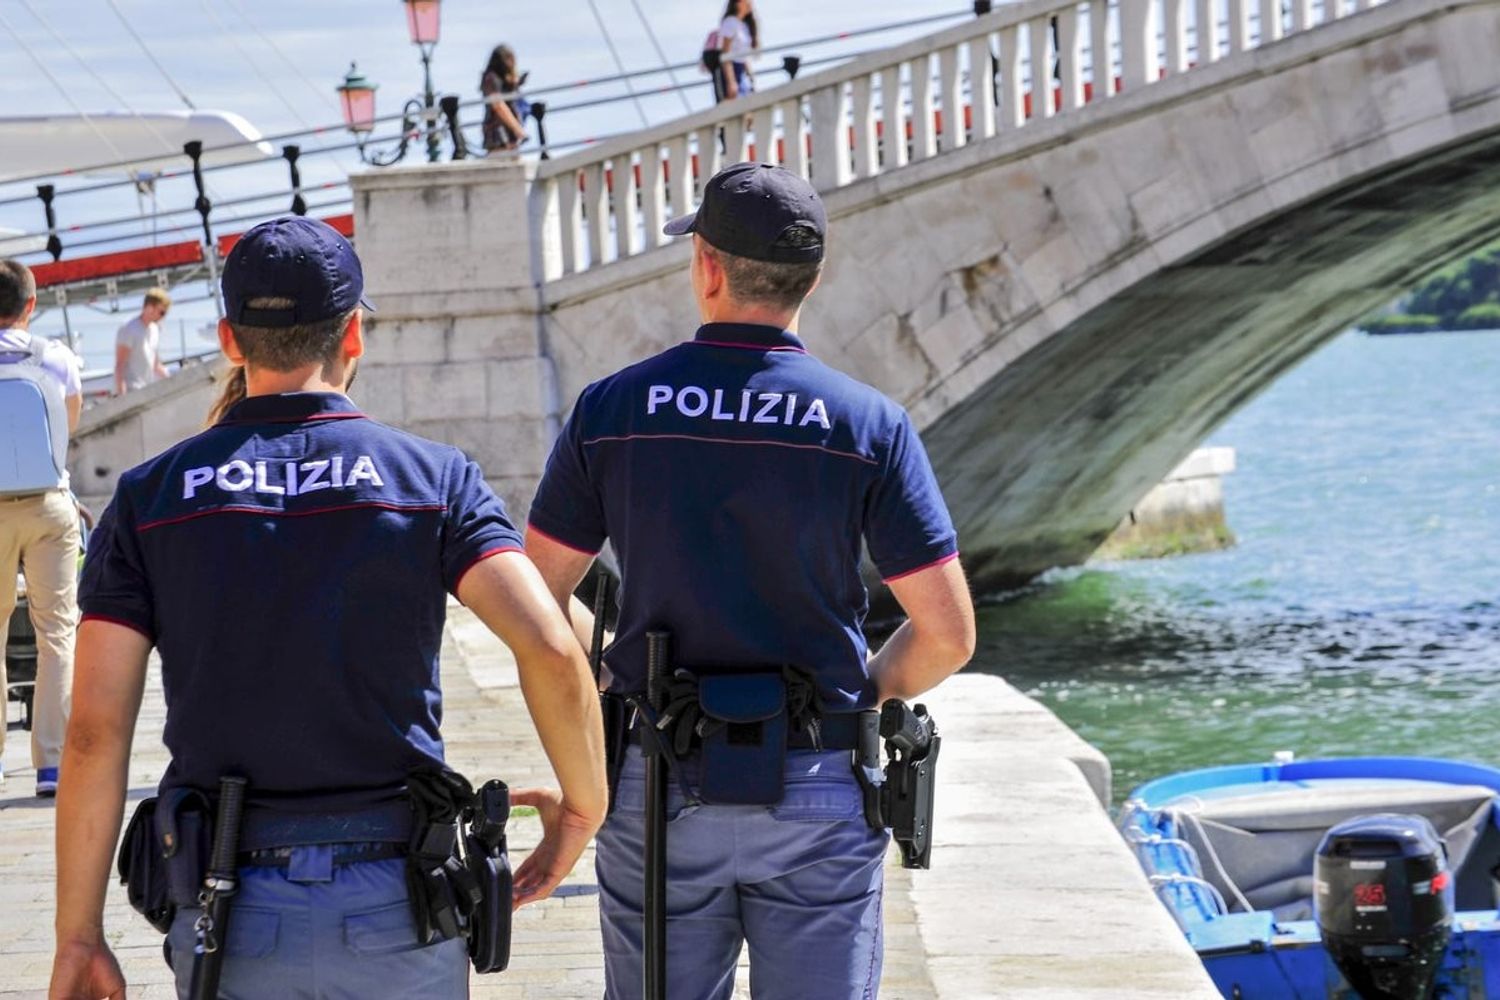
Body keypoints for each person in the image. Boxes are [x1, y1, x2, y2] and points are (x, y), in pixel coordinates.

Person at [49, 217, 608, 1000]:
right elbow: (549, 645)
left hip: (231, 907)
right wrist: (584, 804)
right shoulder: (432, 478)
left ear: (230, 341)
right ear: (354, 335)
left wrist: (78, 936)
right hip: (396, 901)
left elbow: (93, 731)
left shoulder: (151, 497)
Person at [524, 163, 976, 999]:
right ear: (813, 277)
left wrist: (603, 668)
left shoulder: (612, 410)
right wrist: (859, 695)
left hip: (655, 775)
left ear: (707, 265)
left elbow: (533, 602)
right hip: (816, 776)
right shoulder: (866, 423)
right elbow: (948, 634)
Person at [0, 258, 81, 799]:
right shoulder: (56, 358)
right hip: (49, 506)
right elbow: (67, 428)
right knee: (56, 633)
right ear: (32, 304)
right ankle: (51, 764)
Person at [113, 286, 171, 395]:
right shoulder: (129, 328)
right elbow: (120, 364)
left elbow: (156, 364)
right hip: (131, 391)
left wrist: (172, 381)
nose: (163, 317)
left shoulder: (155, 330)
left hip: (146, 389)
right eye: (161, 312)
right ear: (149, 307)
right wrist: (122, 395)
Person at [480, 44, 530, 152]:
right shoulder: (491, 78)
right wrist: (518, 130)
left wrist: (515, 82)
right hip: (497, 132)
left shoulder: (504, 79)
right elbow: (498, 105)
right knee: (501, 160)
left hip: (510, 132)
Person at [716, 0, 759, 101]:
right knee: (733, 111)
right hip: (731, 71)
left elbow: (743, 55)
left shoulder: (744, 25)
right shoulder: (730, 22)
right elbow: (725, 53)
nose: (750, 3)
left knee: (749, 111)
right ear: (738, 3)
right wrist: (731, 82)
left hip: (742, 72)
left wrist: (751, 79)